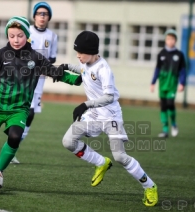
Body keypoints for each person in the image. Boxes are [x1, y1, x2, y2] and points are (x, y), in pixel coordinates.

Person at [0, 16, 78, 179]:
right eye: (11, 36)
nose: (15, 40)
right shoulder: (1, 54)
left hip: (19, 110)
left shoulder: (36, 58)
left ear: (26, 35)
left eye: (20, 35)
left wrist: (76, 79)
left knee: (15, 136)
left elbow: (55, 72)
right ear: (7, 36)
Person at [59, 31, 158, 207]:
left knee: (120, 156)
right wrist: (66, 65)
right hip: (93, 116)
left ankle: (149, 186)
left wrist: (85, 105)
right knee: (68, 141)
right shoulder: (86, 61)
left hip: (111, 117)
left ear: (91, 51)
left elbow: (110, 97)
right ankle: (101, 162)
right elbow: (82, 70)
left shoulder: (104, 69)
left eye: (80, 52)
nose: (78, 56)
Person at [11, 2, 58, 164]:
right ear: (34, 16)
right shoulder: (27, 31)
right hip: (22, 78)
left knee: (29, 115)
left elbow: (52, 58)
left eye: (45, 14)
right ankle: (9, 148)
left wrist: (43, 66)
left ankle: (12, 149)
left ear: (49, 17)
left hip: (38, 81)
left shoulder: (52, 36)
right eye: (39, 13)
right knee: (21, 112)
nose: (42, 16)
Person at [150, 29, 186, 138]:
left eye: (172, 39)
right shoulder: (161, 53)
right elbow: (157, 69)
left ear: (175, 40)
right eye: (168, 39)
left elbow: (183, 70)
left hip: (172, 83)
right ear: (165, 40)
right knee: (163, 106)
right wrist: (153, 82)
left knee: (170, 104)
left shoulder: (179, 55)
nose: (170, 41)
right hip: (163, 84)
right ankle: (165, 129)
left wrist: (182, 83)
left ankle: (174, 124)